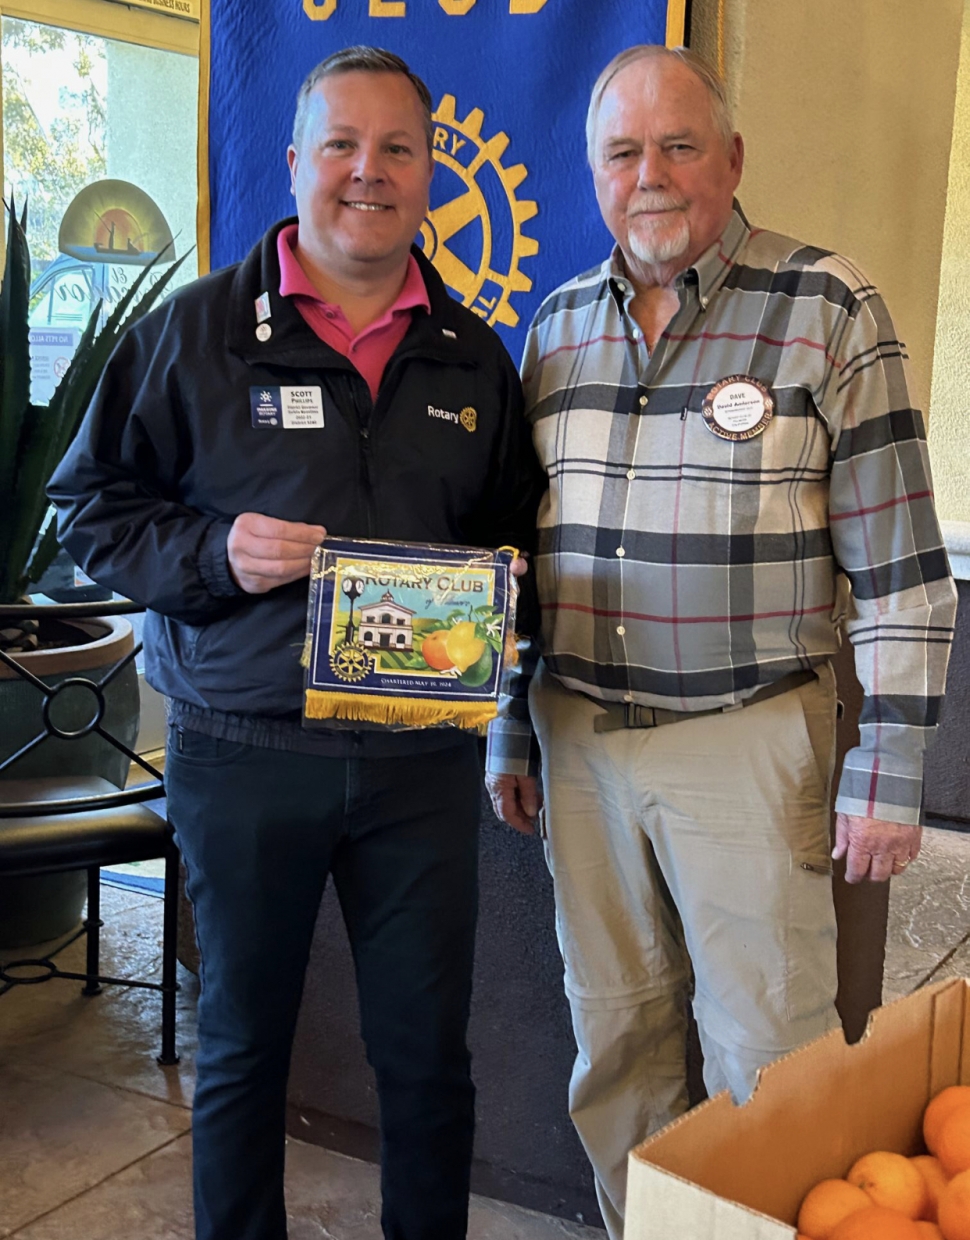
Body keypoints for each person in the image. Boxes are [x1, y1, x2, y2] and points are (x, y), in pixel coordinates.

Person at [50, 46, 542, 1240]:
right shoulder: (195, 331)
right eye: (341, 145)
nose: (367, 173)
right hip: (241, 752)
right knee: (241, 1055)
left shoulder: (473, 354)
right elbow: (90, 510)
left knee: (427, 1059)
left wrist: (505, 591)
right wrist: (219, 556)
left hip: (418, 765)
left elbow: (506, 528)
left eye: (396, 149)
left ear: (431, 173)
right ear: (295, 161)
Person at [485, 43, 956, 1239]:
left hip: (749, 742)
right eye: (622, 151)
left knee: (768, 1053)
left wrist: (887, 771)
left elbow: (903, 566)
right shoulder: (552, 329)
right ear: (592, 172)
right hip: (579, 739)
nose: (650, 175)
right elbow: (516, 563)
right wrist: (507, 727)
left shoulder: (826, 306)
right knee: (617, 1037)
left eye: (678, 146)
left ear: (731, 159)